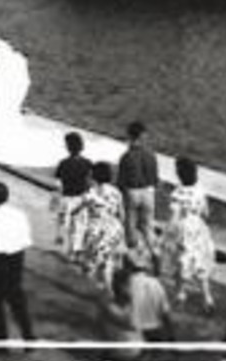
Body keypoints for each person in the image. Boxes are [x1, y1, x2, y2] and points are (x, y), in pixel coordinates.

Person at [0, 180, 36, 348]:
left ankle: (0, 341)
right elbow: (26, 240)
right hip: (17, 258)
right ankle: (28, 336)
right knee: (17, 299)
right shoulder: (19, 214)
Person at [159, 156, 217, 313]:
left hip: (182, 231)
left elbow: (174, 218)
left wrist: (166, 237)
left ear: (179, 174)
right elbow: (206, 212)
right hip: (198, 228)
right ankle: (207, 297)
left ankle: (180, 293)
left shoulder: (177, 193)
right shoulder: (200, 189)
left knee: (180, 262)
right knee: (199, 262)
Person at [80, 161, 128, 290]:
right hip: (114, 228)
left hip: (96, 229)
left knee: (90, 263)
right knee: (107, 262)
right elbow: (122, 214)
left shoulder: (90, 193)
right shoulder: (117, 192)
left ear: (94, 176)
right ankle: (107, 289)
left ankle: (90, 289)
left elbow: (80, 211)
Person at [117, 121, 159, 253]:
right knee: (148, 226)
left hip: (132, 192)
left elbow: (121, 181)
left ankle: (134, 254)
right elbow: (155, 178)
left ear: (129, 137)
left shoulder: (126, 157)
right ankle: (154, 252)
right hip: (148, 191)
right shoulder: (151, 155)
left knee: (130, 225)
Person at [54, 131, 93, 265]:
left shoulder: (62, 164)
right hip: (81, 198)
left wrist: (55, 203)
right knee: (80, 227)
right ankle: (77, 252)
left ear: (68, 147)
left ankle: (71, 253)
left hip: (67, 199)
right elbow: (89, 184)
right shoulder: (88, 163)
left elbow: (58, 186)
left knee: (70, 228)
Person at [127, 250, 175, 343]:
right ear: (148, 267)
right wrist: (171, 338)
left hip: (133, 335)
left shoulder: (124, 285)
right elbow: (165, 313)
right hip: (153, 333)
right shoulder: (155, 283)